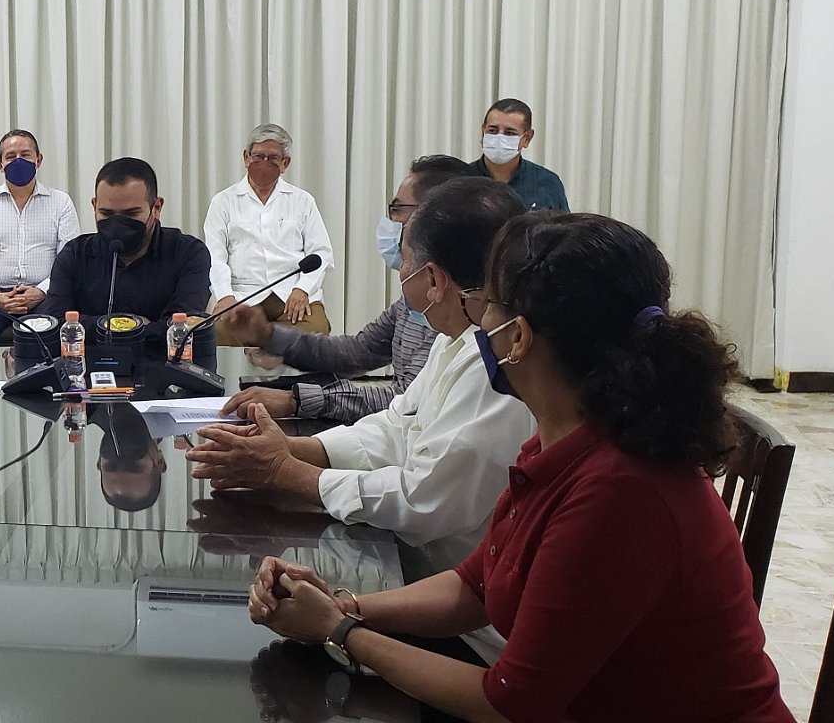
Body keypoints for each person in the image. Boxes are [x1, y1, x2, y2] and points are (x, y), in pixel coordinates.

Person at [246, 214, 792, 722]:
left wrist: (341, 631)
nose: (477, 319)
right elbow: (476, 585)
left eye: (487, 303)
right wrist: (345, 604)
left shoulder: (622, 491)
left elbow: (511, 703)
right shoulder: (560, 442)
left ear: (518, 337)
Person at [186, 179, 535, 578]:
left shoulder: (494, 362)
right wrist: (295, 448)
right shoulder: (453, 336)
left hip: (455, 586)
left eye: (405, 259)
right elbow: (398, 425)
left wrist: (286, 471)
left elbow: (419, 500)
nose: (399, 269)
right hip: (418, 564)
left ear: (435, 280)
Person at [218, 156, 472, 423]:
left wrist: (296, 401)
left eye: (397, 209)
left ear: (433, 218)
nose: (390, 220)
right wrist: (267, 334)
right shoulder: (411, 303)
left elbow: (407, 404)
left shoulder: (458, 309)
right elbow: (355, 352)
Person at [35, 157, 212, 350]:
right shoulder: (74, 255)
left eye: (131, 214)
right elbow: (55, 323)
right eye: (106, 214)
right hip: (86, 364)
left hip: (163, 363)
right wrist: (136, 326)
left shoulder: (189, 253)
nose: (117, 224)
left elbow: (183, 326)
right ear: (94, 206)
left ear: (156, 208)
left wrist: (92, 326)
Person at [0, 129, 81, 347]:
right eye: (11, 156)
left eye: (25, 155)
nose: (18, 161)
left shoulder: (61, 203)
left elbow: (69, 261)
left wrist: (40, 291)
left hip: (45, 294)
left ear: (38, 160)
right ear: (0, 165)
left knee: (53, 333)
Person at [204, 124, 335, 338]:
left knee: (314, 335)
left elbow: (321, 253)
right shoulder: (223, 202)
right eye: (258, 156)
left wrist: (302, 289)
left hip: (292, 294)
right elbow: (214, 258)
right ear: (246, 158)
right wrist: (225, 296)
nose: (264, 163)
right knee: (215, 335)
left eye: (273, 158)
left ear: (285, 163)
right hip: (242, 295)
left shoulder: (303, 201)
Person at [470, 98, 568, 211]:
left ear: (527, 138)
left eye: (510, 133)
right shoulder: (462, 179)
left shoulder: (547, 182)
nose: (499, 138)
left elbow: (563, 222)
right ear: (483, 131)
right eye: (492, 130)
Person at [95, 404, 167, 512]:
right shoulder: (181, 410)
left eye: (111, 466)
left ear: (99, 462)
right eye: (134, 466)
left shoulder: (80, 406)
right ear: (159, 461)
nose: (120, 455)